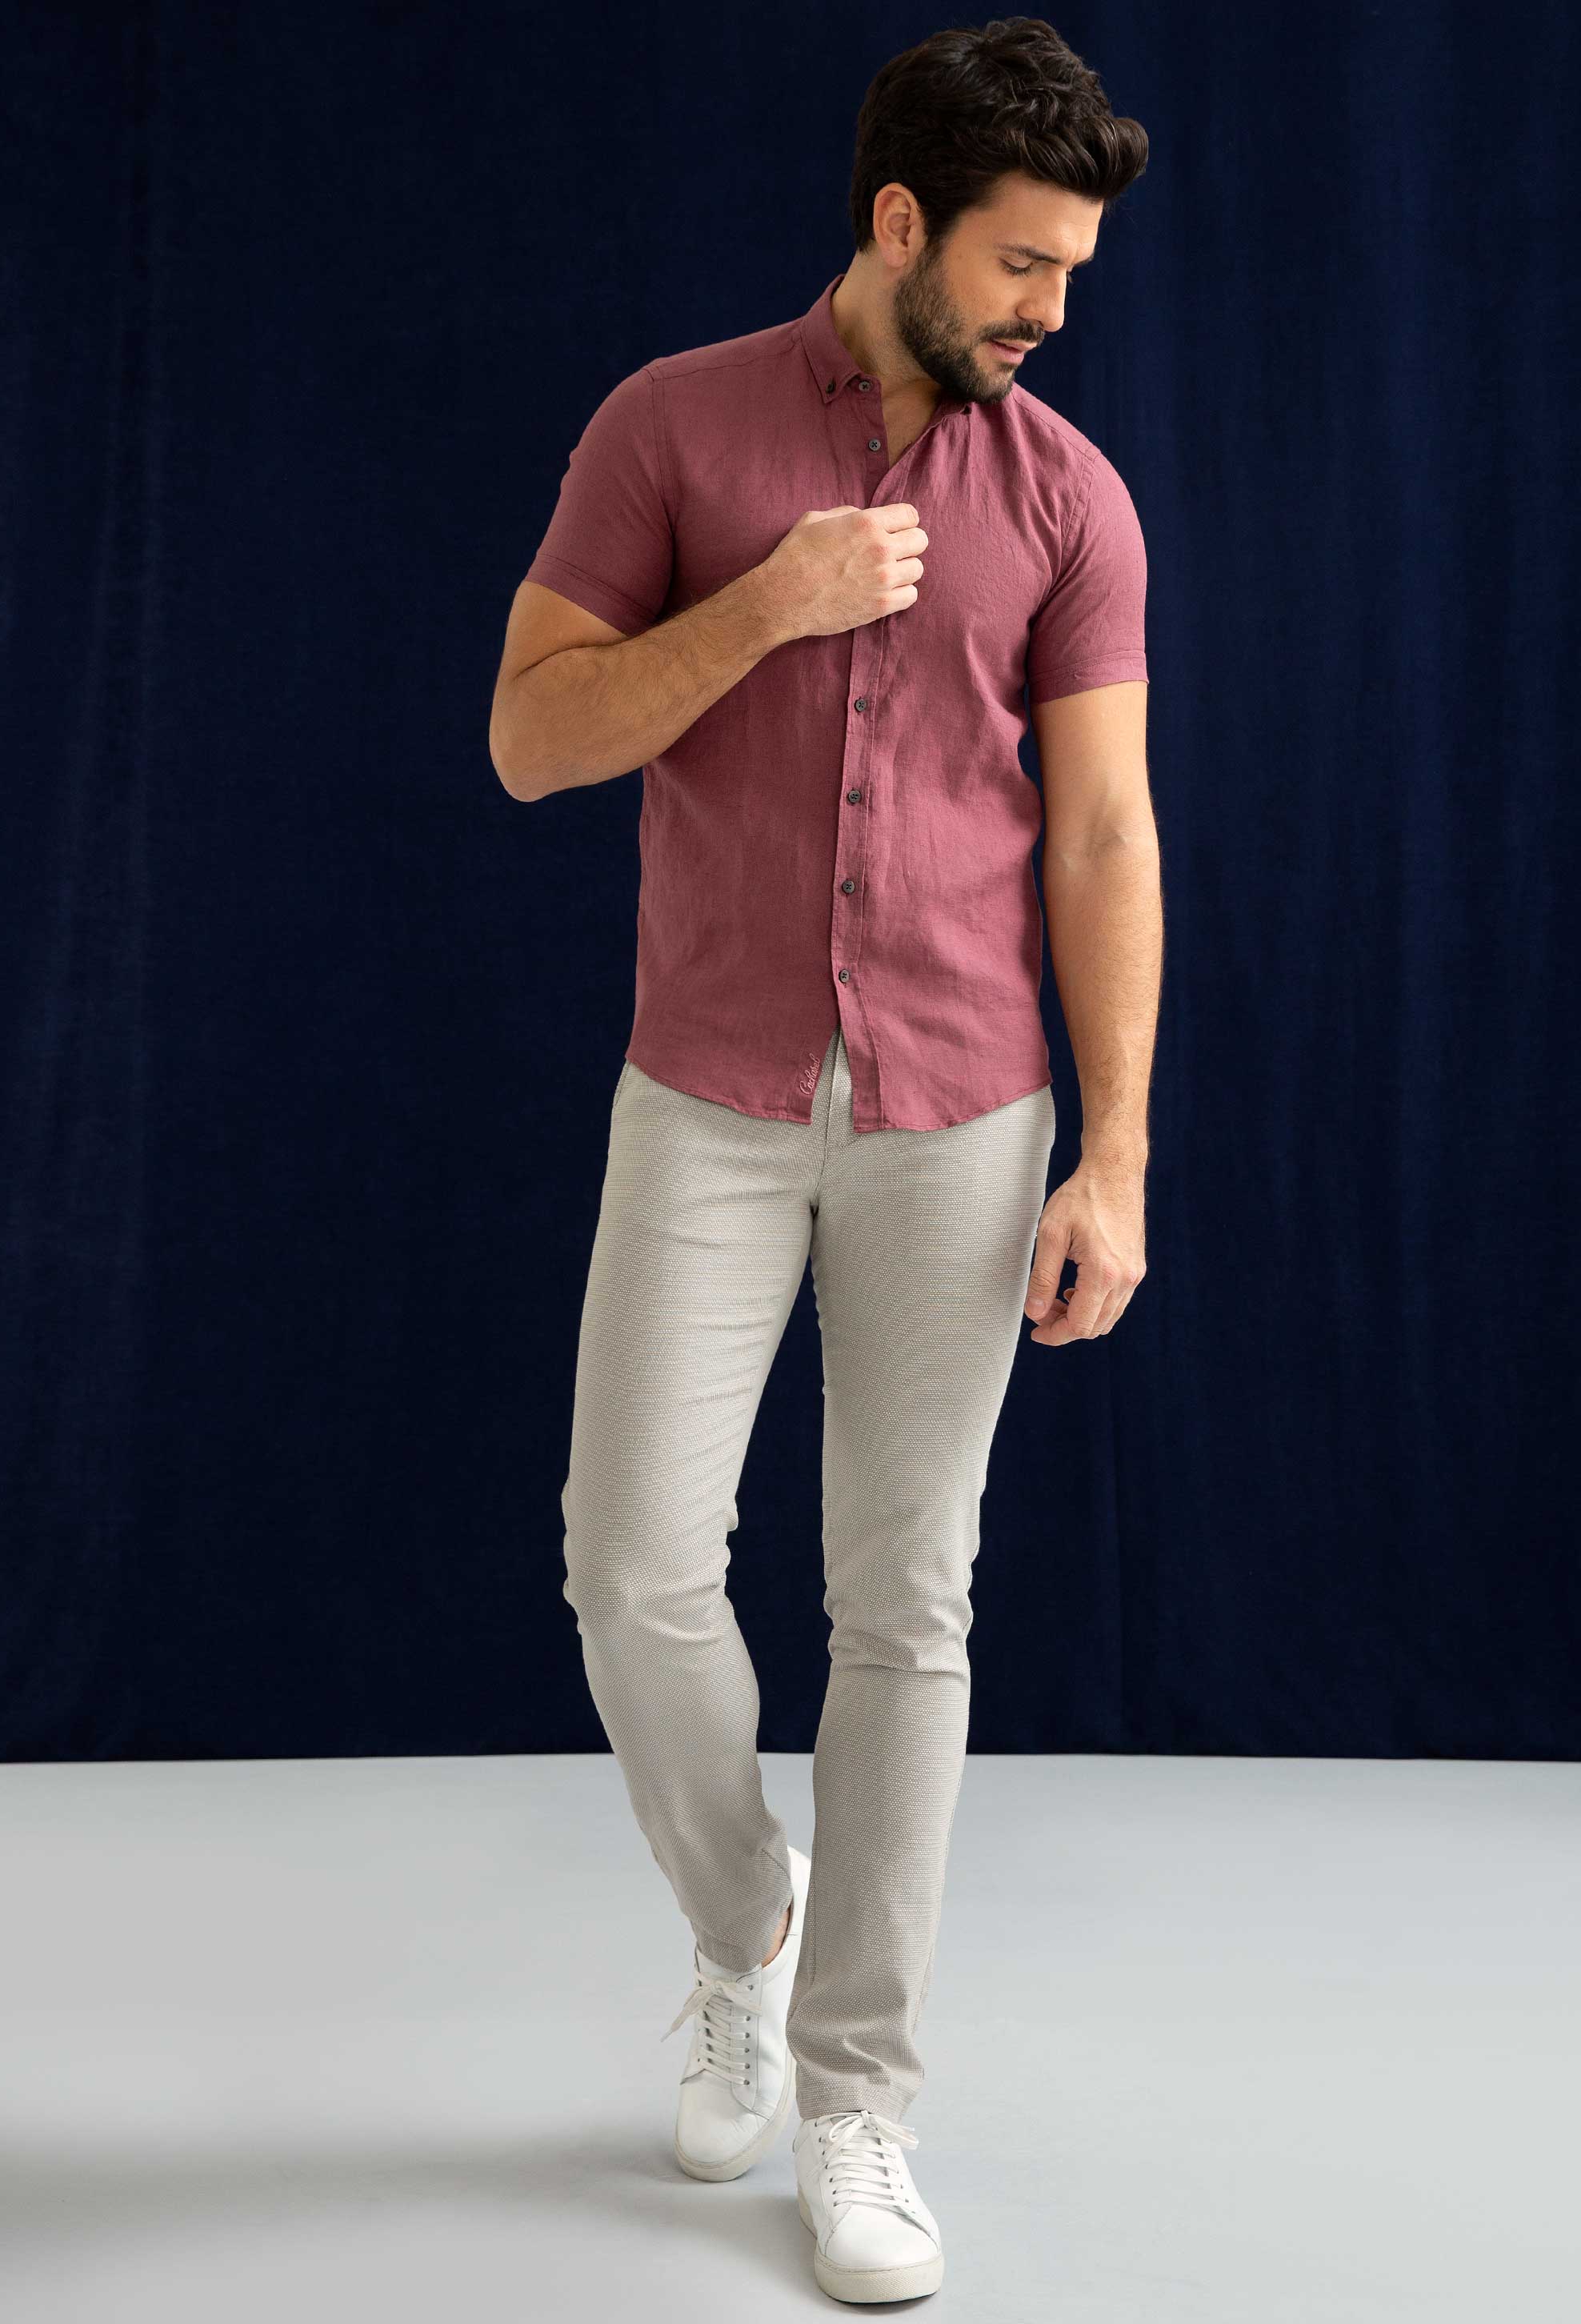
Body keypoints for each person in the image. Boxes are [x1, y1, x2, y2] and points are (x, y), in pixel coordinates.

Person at [488, 16, 1157, 2305]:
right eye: (1020, 262)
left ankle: (859, 2097)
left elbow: (1102, 833)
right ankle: (739, 1924)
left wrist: (1114, 1158)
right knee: (628, 1570)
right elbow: (530, 737)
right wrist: (765, 603)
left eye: (1069, 272)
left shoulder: (1069, 498)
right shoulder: (668, 429)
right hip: (706, 1092)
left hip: (964, 1115)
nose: (1049, 308)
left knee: (907, 1604)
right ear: (899, 221)